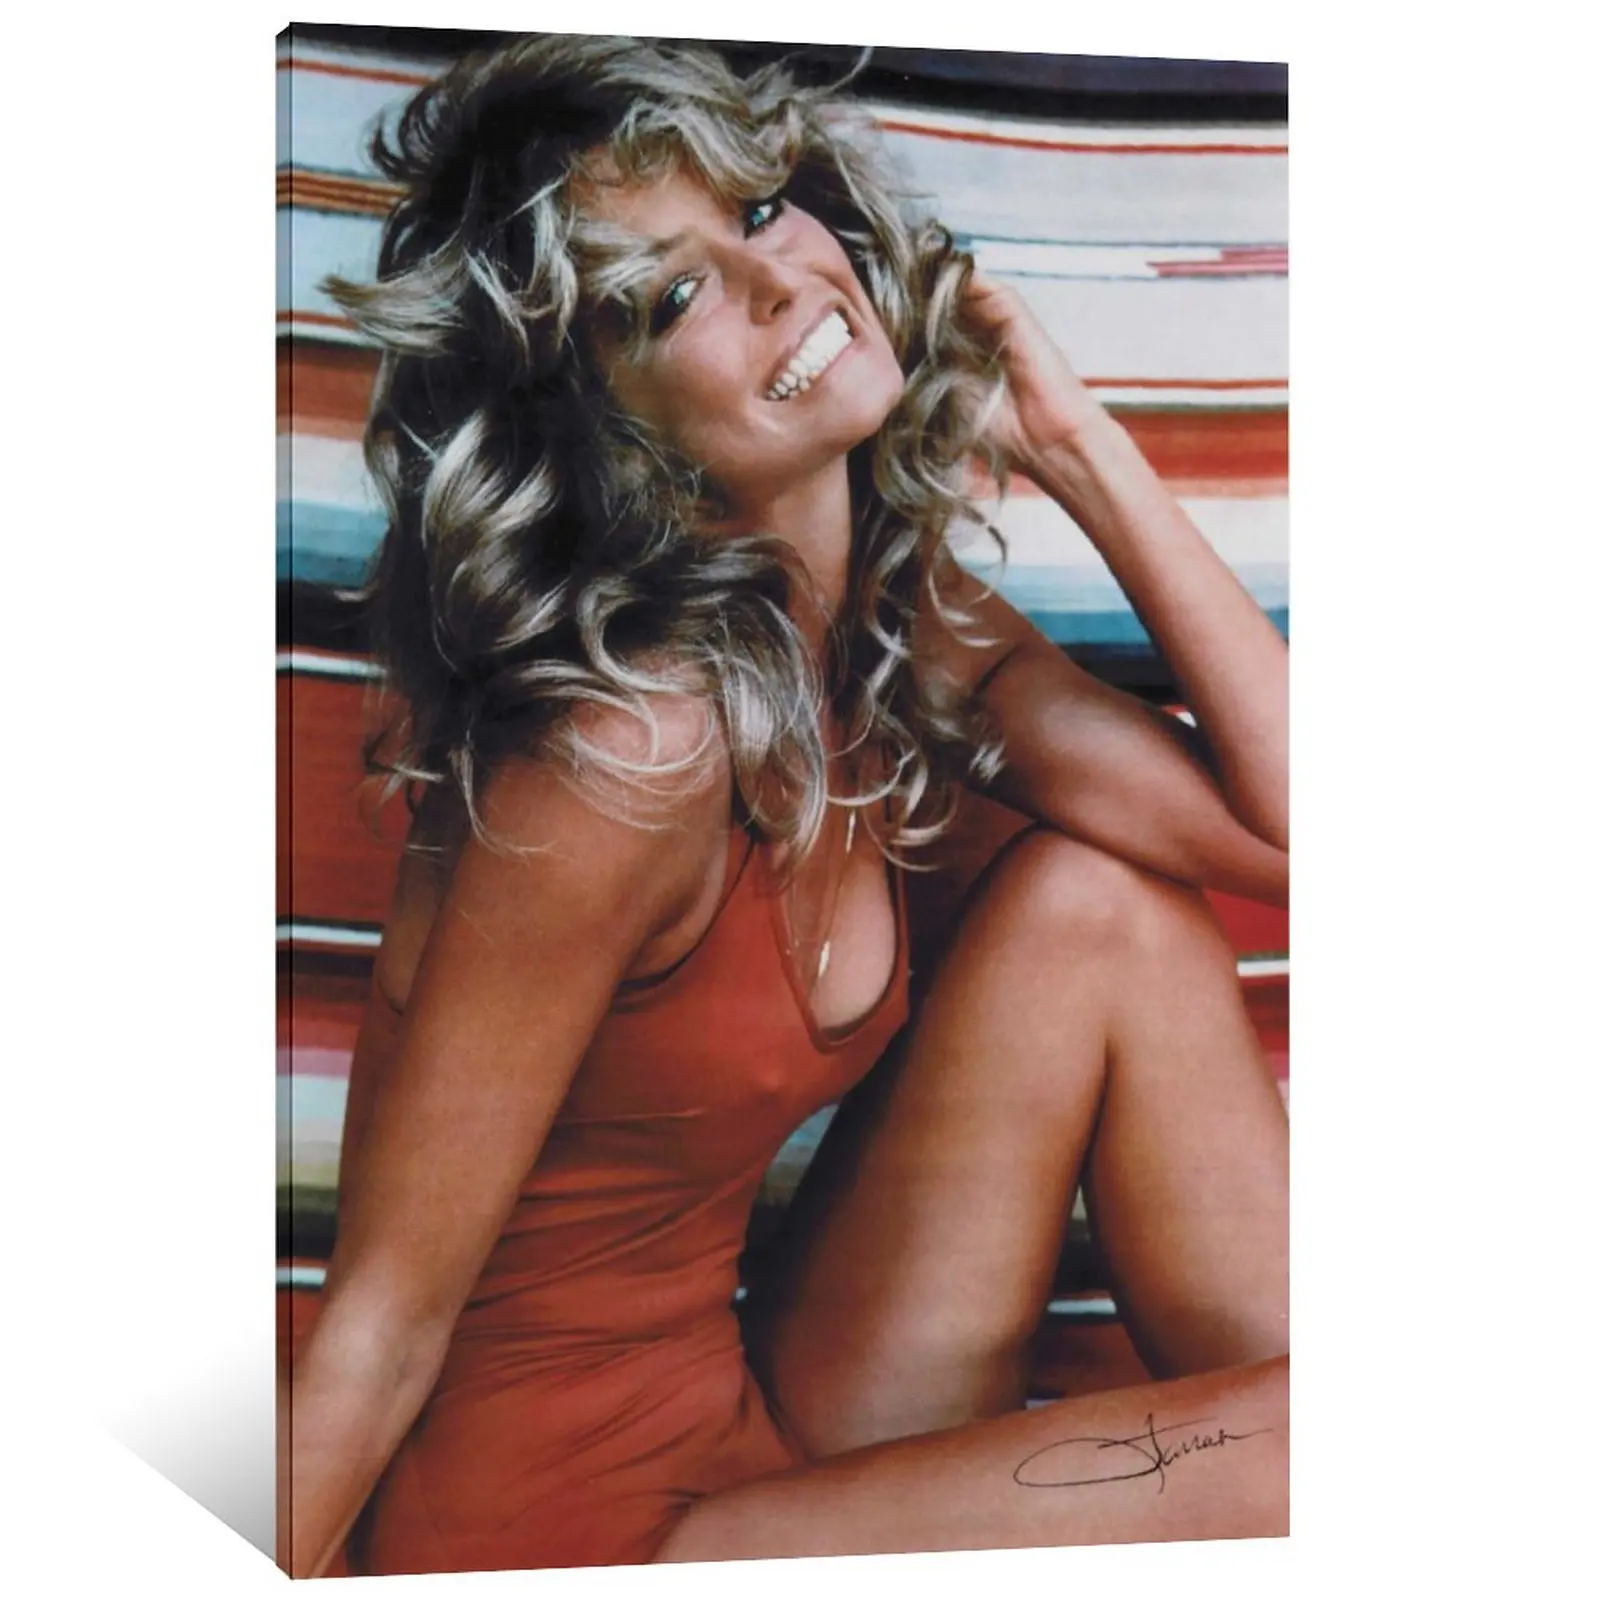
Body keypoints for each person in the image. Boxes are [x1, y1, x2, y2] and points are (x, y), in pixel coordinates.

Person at [282, 33, 1290, 1578]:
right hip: (557, 1532)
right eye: (672, 297)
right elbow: (384, 1319)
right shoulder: (628, 753)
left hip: (743, 1433)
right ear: (603, 426)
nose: (779, 281)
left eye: (758, 210)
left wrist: (1080, 448)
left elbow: (1286, 838)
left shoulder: (893, 631)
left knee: (1106, 909)